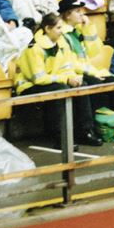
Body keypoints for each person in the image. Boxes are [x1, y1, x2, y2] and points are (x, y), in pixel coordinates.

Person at [14, 12, 103, 147]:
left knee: (82, 85)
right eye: (58, 28)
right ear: (48, 29)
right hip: (28, 86)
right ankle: (61, 137)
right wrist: (65, 79)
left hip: (52, 80)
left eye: (62, 27)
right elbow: (38, 79)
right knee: (61, 90)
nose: (62, 32)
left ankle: (85, 131)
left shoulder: (61, 44)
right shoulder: (34, 48)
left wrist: (72, 77)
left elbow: (66, 67)